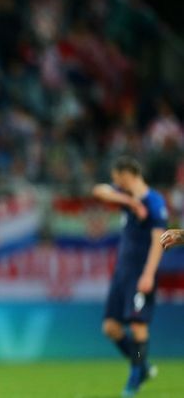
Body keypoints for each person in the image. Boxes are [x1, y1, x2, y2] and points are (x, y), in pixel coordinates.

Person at [92, 156, 167, 397]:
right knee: (111, 327)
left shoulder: (155, 202)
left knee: (137, 325)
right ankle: (141, 365)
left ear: (127, 175)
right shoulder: (128, 200)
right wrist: (130, 202)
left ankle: (135, 377)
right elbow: (98, 191)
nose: (115, 184)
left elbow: (159, 241)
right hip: (122, 274)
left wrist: (148, 274)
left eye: (117, 179)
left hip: (140, 274)